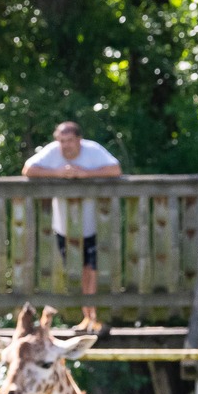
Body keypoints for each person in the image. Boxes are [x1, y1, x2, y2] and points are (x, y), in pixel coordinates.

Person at [21, 121, 121, 331]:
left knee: (92, 271)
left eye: (69, 141)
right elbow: (28, 169)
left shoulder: (92, 150)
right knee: (78, 272)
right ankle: (87, 317)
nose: (65, 146)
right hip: (63, 226)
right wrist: (58, 173)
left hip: (93, 224)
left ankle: (93, 317)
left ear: (79, 139)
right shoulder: (52, 152)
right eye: (61, 141)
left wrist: (85, 174)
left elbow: (115, 169)